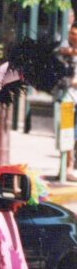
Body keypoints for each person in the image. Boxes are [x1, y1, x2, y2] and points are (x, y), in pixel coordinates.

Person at [57, 21, 77, 182]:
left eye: (76, 35)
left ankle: (70, 167)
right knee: (66, 133)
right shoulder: (66, 48)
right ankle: (65, 168)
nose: (73, 37)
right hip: (68, 98)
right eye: (71, 34)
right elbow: (61, 51)